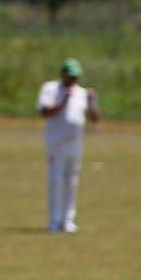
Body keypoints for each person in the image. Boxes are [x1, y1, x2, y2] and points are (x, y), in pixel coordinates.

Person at [37, 57, 99, 233]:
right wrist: (64, 99)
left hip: (75, 143)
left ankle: (68, 220)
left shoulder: (83, 93)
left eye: (75, 77)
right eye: (69, 76)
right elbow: (44, 112)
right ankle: (54, 220)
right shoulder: (50, 89)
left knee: (71, 181)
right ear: (62, 75)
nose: (72, 80)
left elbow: (94, 120)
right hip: (55, 143)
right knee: (55, 181)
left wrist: (91, 103)